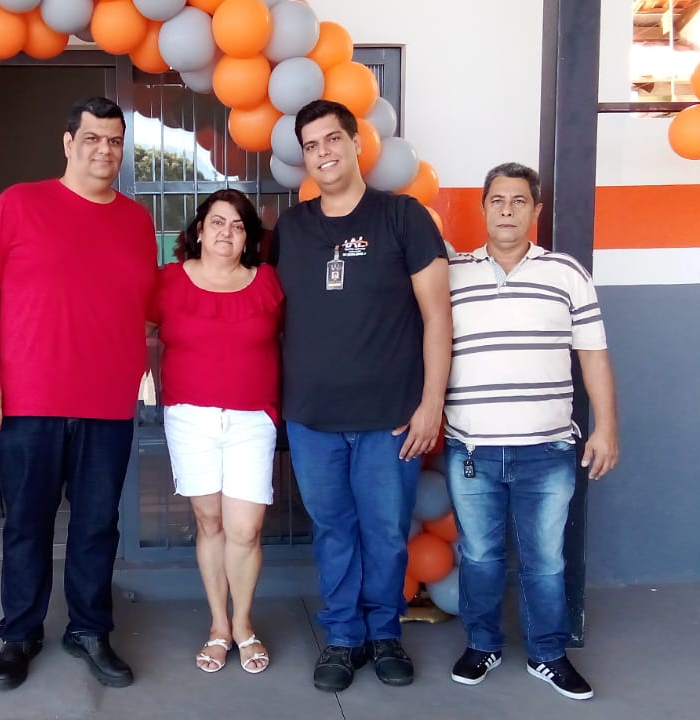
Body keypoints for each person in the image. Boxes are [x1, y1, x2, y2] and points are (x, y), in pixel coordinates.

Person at [0, 97, 157, 691]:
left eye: (115, 141)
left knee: (97, 524)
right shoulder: (19, 203)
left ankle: (90, 629)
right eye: (93, 138)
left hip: (107, 403)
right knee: (27, 523)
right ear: (68, 143)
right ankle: (19, 633)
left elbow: (146, 309)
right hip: (29, 399)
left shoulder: (136, 221)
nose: (105, 150)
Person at [270, 99, 452, 692]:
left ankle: (385, 634)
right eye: (311, 146)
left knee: (386, 533)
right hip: (312, 418)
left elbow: (438, 316)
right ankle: (344, 638)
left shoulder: (402, 217)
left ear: (356, 144)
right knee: (334, 532)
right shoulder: (291, 229)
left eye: (332, 139)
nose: (322, 153)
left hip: (389, 419)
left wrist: (430, 404)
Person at [444, 162, 619, 701]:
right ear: (483, 208)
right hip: (470, 449)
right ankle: (483, 644)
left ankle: (547, 653)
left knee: (545, 559)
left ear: (536, 211)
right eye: (497, 200)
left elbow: (593, 355)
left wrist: (607, 428)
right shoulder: (452, 274)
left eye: (519, 201)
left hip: (547, 450)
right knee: (479, 555)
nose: (507, 211)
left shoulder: (566, 273)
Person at [149, 189, 284, 675]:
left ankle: (244, 624)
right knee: (210, 523)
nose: (227, 232)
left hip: (252, 419)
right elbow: (135, 330)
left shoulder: (267, 282)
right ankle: (219, 626)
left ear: (248, 238)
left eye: (238, 225)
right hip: (190, 418)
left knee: (245, 529)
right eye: (218, 222)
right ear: (199, 230)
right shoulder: (167, 281)